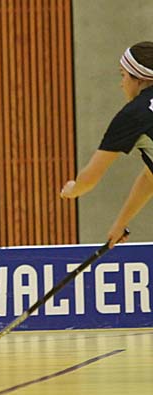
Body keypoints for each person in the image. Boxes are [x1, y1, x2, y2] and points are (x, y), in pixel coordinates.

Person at [61, 42, 153, 247]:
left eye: (123, 75)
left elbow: (90, 177)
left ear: (139, 78)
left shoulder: (133, 115)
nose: (121, 84)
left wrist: (74, 189)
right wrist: (121, 223)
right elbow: (150, 176)